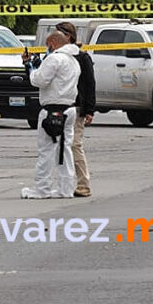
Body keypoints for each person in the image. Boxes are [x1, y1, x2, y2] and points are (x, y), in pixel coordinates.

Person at [21, 31, 81, 199]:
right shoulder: (73, 60)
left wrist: (30, 67)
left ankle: (42, 188)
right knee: (65, 150)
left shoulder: (54, 59)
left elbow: (39, 81)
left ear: (53, 43)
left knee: (46, 151)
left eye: (48, 45)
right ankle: (66, 188)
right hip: (69, 109)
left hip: (51, 110)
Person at [56, 21, 96, 198]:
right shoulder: (55, 56)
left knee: (74, 145)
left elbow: (89, 84)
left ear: (69, 36)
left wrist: (89, 110)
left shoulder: (81, 57)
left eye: (59, 34)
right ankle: (63, 183)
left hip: (77, 107)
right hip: (58, 107)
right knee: (57, 147)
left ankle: (83, 184)